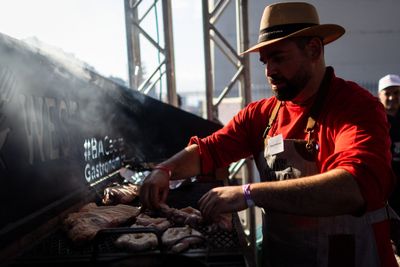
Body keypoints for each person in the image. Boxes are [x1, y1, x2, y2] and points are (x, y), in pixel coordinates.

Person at [140, 2, 398, 266]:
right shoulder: (262, 115)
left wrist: (249, 193)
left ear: (314, 49)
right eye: (265, 61)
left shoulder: (356, 108)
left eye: (278, 58)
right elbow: (209, 150)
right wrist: (165, 170)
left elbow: (353, 189)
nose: (269, 71)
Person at [378, 74, 400, 251]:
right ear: (380, 95)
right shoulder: (374, 120)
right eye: (388, 93)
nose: (393, 97)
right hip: (383, 191)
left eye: (397, 93)